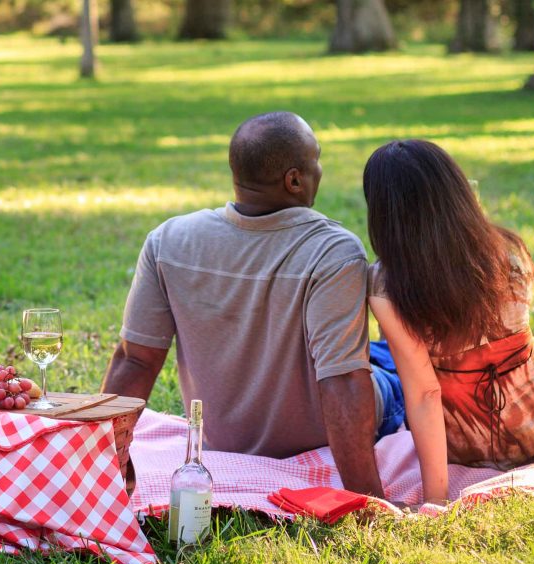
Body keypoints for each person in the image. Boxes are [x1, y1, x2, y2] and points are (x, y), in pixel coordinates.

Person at [101, 112, 402, 498]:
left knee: (379, 353)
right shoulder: (332, 251)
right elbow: (343, 379)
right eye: (317, 160)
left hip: (222, 440)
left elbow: (134, 360)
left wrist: (99, 465)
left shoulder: (169, 241)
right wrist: (368, 500)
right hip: (318, 434)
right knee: (402, 366)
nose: (320, 170)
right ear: (294, 180)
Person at [363, 139, 534, 507]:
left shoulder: (385, 285)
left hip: (466, 446)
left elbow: (425, 394)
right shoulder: (508, 248)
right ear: (459, 193)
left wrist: (435, 500)